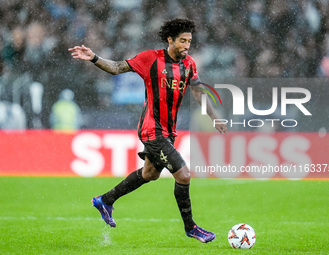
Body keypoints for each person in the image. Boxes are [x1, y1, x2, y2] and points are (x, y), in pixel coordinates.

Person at [68, 18, 227, 243]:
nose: (186, 46)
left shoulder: (189, 64)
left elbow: (199, 91)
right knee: (183, 175)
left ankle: (105, 200)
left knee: (150, 174)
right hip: (152, 129)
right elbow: (116, 68)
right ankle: (191, 227)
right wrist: (93, 57)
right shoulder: (150, 59)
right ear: (170, 39)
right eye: (182, 41)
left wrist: (214, 118)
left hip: (169, 131)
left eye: (189, 41)